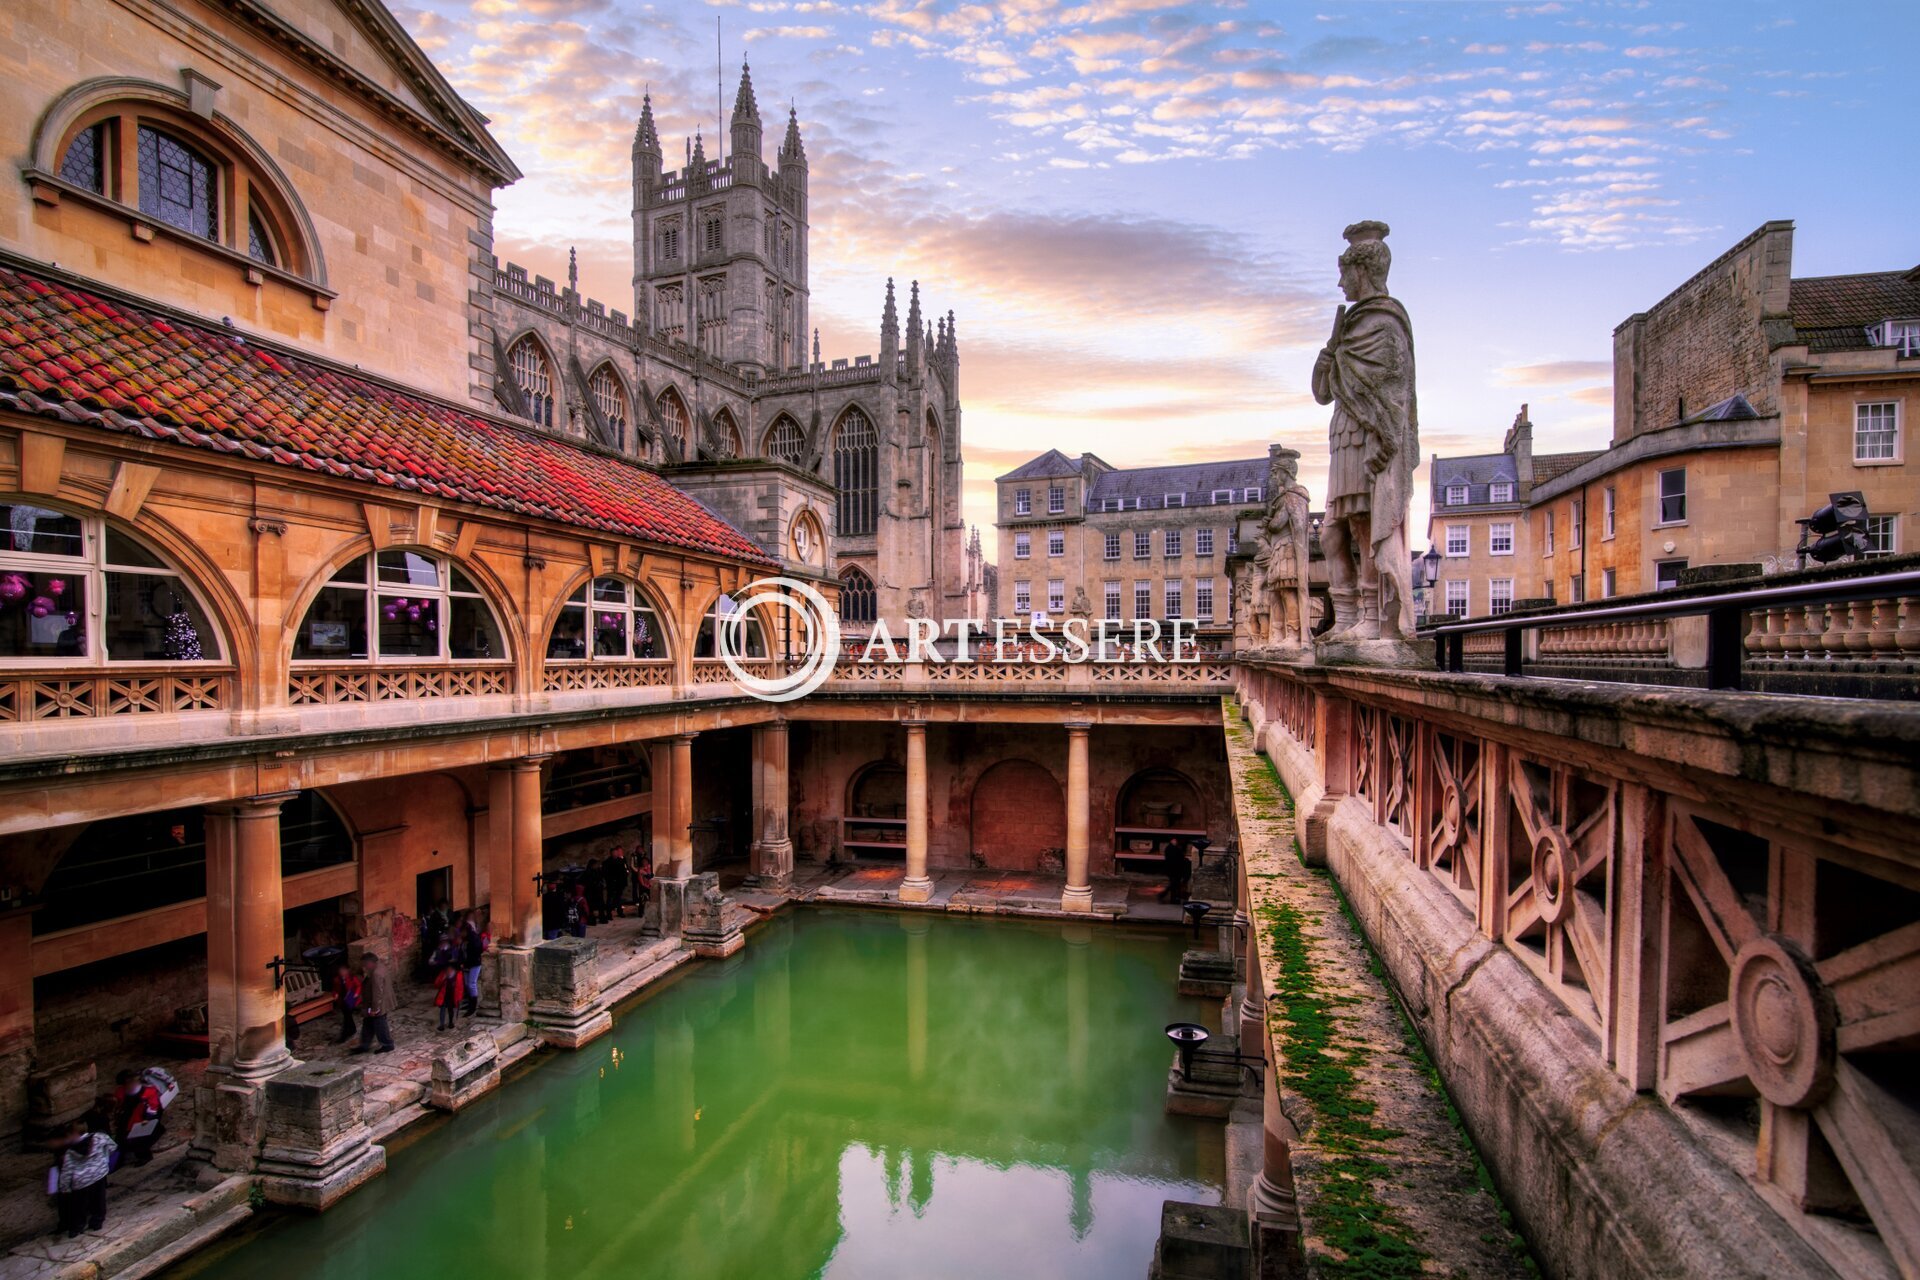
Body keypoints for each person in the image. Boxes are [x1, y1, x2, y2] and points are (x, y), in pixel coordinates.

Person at [50, 1121, 115, 1238]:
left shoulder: (70, 1151)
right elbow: (112, 1147)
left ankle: (77, 1228)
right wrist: (103, 1160)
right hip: (99, 1175)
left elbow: (67, 1171)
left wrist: (64, 1187)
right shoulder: (100, 1137)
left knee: (79, 1206)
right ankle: (97, 1222)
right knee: (99, 1200)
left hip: (81, 1182)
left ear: (74, 1134)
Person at [111, 1070, 163, 1166]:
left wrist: (148, 1118)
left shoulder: (148, 1090)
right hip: (127, 1118)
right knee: (122, 1138)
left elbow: (153, 1106)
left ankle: (145, 1156)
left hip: (142, 1119)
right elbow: (118, 1104)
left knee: (140, 1139)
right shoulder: (120, 1091)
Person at [351, 953, 396, 1054]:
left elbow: (377, 993)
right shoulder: (380, 966)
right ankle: (364, 1045)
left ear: (370, 963)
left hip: (377, 1005)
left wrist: (375, 1009)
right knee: (368, 1022)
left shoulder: (376, 974)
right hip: (378, 1003)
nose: (364, 967)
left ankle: (387, 1044)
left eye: (365, 964)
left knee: (379, 1024)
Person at [459, 915, 485, 1017]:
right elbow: (462, 951)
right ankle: (469, 1003)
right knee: (466, 984)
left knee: (471, 984)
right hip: (466, 964)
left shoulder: (474, 939)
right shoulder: (464, 939)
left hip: (474, 964)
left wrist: (466, 963)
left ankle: (472, 1007)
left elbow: (475, 953)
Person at [332, 961, 361, 1044]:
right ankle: (352, 1029)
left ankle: (344, 1035)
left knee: (347, 1017)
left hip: (350, 999)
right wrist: (335, 994)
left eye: (344, 970)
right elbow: (335, 989)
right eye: (341, 971)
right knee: (347, 1016)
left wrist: (356, 994)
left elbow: (358, 986)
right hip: (342, 1000)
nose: (342, 972)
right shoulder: (337, 979)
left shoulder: (352, 978)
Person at [1159, 836, 1190, 905]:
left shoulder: (1173, 848)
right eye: (1174, 840)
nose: (1176, 842)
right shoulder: (1170, 849)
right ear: (1172, 841)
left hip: (1175, 870)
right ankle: (1163, 895)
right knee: (1173, 885)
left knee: (1175, 885)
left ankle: (1174, 899)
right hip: (1173, 870)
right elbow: (1174, 859)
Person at [433, 959, 461, 1031]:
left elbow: (460, 987)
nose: (449, 970)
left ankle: (450, 1022)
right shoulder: (443, 974)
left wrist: (459, 997)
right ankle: (441, 1024)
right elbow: (436, 984)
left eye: (450, 968)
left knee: (450, 1009)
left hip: (452, 995)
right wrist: (443, 979)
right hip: (444, 995)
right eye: (448, 969)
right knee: (442, 1009)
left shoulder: (458, 975)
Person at [603, 849, 630, 920]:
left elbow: (624, 870)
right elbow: (605, 873)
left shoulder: (621, 861)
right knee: (610, 898)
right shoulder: (607, 862)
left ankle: (620, 911)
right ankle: (609, 913)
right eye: (614, 853)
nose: (615, 854)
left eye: (616, 853)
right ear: (611, 853)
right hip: (611, 883)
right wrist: (610, 880)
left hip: (619, 883)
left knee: (619, 898)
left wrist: (624, 879)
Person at [583, 858, 607, 926]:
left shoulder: (598, 870)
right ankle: (591, 920)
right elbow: (588, 882)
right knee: (591, 907)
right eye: (595, 864)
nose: (597, 866)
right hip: (591, 892)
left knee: (601, 905)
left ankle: (602, 918)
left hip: (598, 891)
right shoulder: (588, 872)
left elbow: (601, 877)